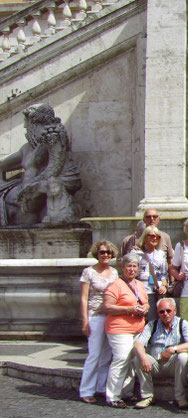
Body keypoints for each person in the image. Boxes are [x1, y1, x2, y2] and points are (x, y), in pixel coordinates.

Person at [0, 103, 81, 226]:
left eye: (26, 123)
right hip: (26, 190)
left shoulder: (52, 137)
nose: (24, 127)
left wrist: (33, 185)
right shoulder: (27, 148)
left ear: (34, 122)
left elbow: (55, 166)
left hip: (40, 188)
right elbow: (2, 164)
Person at [103, 253, 149, 408]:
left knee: (131, 361)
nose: (131, 269)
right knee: (121, 359)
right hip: (119, 328)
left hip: (137, 328)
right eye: (128, 266)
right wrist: (129, 308)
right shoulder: (116, 285)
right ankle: (113, 396)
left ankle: (126, 392)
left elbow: (146, 302)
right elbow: (107, 307)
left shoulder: (139, 284)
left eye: (134, 266)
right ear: (122, 267)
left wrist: (144, 308)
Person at [132, 298, 188, 409]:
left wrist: (172, 350)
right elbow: (138, 344)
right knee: (138, 358)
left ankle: (180, 397)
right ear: (158, 313)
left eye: (168, 310)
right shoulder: (152, 325)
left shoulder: (183, 323)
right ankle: (147, 396)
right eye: (162, 311)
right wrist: (143, 358)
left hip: (172, 364)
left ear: (175, 310)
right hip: (154, 364)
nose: (165, 314)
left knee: (183, 356)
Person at [78, 240, 119, 404]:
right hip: (95, 315)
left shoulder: (114, 272)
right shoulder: (88, 272)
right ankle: (86, 390)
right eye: (102, 252)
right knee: (94, 354)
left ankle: (101, 387)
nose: (105, 255)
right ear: (97, 253)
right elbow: (84, 298)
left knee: (107, 355)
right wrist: (84, 320)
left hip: (111, 316)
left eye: (108, 252)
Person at [133, 225, 169, 321]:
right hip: (140, 291)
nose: (154, 238)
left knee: (153, 320)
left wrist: (164, 286)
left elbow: (164, 274)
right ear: (145, 237)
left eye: (157, 236)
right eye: (151, 236)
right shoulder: (136, 253)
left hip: (155, 292)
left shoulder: (160, 254)